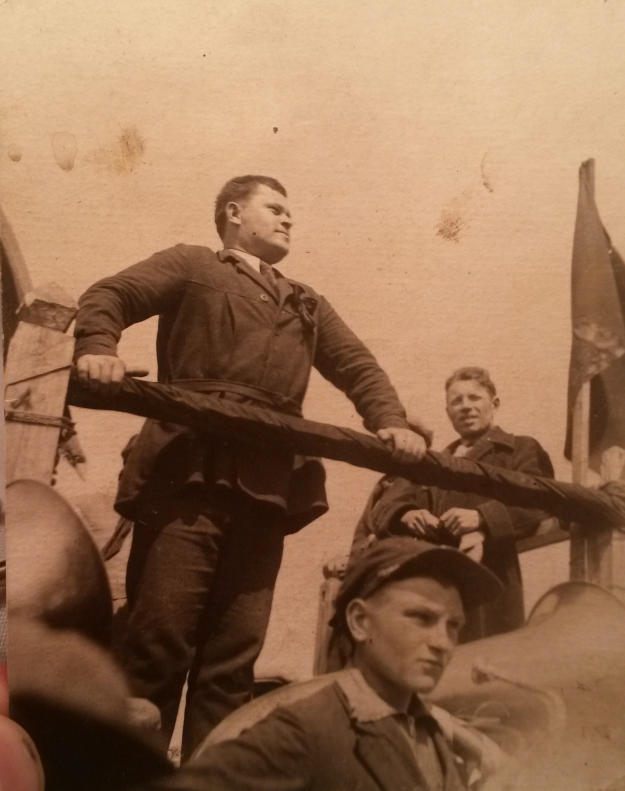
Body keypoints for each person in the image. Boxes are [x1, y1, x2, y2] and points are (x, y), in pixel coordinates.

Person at [73, 175, 430, 758]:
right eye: (276, 208)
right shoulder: (191, 264)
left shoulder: (307, 301)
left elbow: (358, 366)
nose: (289, 220)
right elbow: (110, 294)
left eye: (291, 212)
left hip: (267, 489)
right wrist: (97, 349)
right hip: (187, 475)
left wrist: (390, 420)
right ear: (235, 213)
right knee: (157, 645)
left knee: (233, 659)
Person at [133, 537, 503, 791]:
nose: (442, 642)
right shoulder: (304, 729)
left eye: (454, 626)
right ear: (359, 622)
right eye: (421, 618)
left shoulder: (431, 733)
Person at [348, 366, 554, 642]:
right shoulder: (434, 462)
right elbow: (386, 506)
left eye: (474, 397)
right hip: (434, 586)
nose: (465, 406)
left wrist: (481, 518)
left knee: (486, 658)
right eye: (456, 401)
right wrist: (407, 514)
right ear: (448, 412)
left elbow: (541, 500)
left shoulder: (520, 448)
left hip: (490, 583)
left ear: (494, 404)